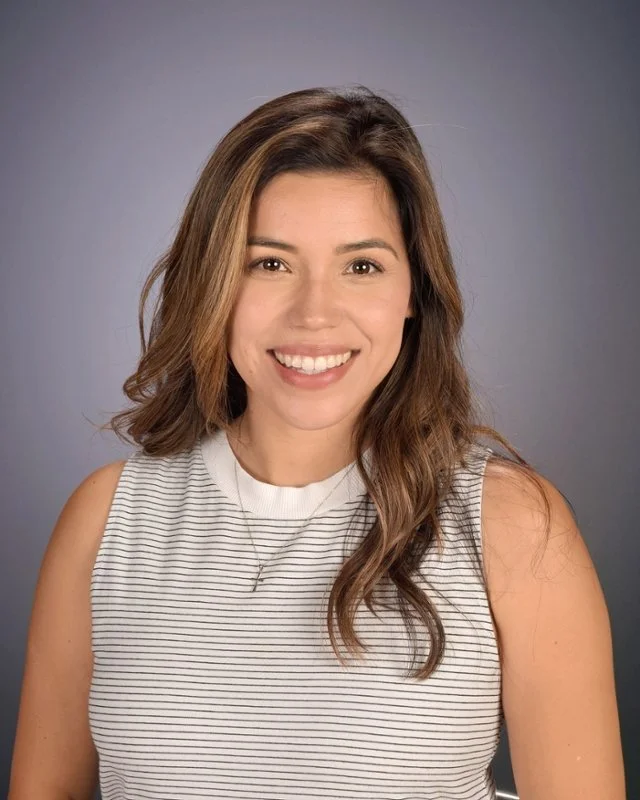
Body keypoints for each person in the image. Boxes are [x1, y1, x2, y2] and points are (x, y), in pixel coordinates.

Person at [9, 85, 625, 800]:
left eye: (361, 266)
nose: (315, 314)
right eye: (269, 263)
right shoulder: (106, 521)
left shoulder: (512, 526)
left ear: (413, 293)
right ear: (214, 285)